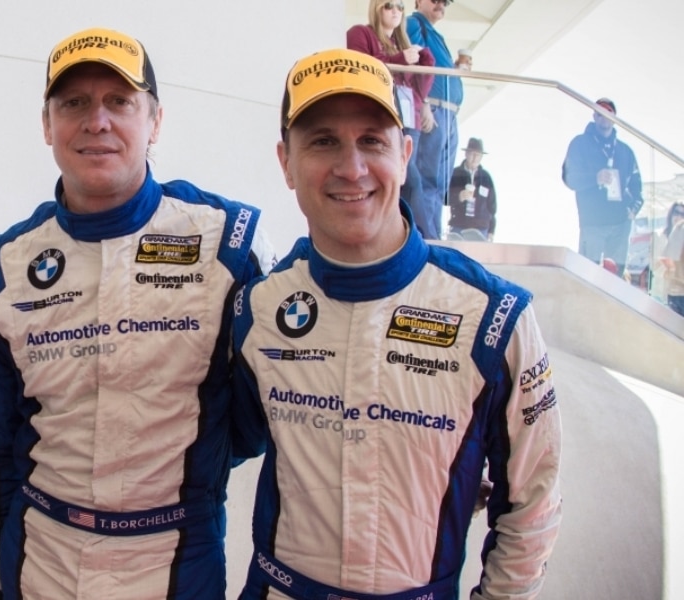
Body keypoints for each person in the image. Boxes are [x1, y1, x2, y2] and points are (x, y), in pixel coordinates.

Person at [232, 48, 562, 599]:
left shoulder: (495, 316)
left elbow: (533, 505)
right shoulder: (260, 308)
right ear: (285, 162)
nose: (351, 168)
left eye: (372, 141)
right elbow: (215, 439)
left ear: (405, 155)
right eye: (323, 141)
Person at [0, 26, 275, 600]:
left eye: (120, 102)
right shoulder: (2, 266)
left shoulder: (226, 242)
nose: (97, 121)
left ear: (155, 121)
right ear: (47, 124)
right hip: (43, 562)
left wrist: (186, 472)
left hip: (177, 560)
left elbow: (255, 418)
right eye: (73, 103)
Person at [347, 0, 433, 235]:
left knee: (409, 179)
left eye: (400, 6)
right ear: (377, 8)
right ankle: (424, 236)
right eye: (389, 5)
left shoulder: (403, 43)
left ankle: (404, 232)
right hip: (382, 116)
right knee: (409, 179)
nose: (396, 11)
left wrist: (426, 60)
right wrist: (400, 59)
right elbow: (361, 69)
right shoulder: (361, 33)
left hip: (409, 118)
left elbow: (419, 90)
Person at [562, 97, 643, 274]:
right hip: (592, 223)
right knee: (586, 275)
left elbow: (637, 185)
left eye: (608, 113)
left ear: (614, 117)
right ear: (594, 116)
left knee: (615, 279)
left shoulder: (625, 151)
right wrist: (595, 178)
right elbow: (569, 178)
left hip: (621, 224)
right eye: (599, 113)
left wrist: (633, 210)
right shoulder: (580, 144)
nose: (604, 117)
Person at [408, 0, 464, 240]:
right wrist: (424, 103)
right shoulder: (414, 24)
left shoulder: (435, 35)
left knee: (440, 183)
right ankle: (425, 237)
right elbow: (414, 66)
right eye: (435, 0)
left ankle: (433, 235)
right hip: (434, 109)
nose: (441, 4)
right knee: (426, 178)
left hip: (448, 114)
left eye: (445, 2)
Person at [447, 137, 497, 241]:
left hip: (481, 229)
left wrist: (491, 231)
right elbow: (443, 198)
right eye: (472, 154)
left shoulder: (486, 177)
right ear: (466, 154)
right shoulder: (455, 174)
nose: (475, 158)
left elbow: (492, 207)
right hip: (458, 226)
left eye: (478, 155)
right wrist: (459, 197)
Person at [661, 202, 684, 316]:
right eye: (676, 213)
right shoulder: (680, 228)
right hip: (678, 293)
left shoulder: (679, 228)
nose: (679, 216)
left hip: (676, 293)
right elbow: (669, 261)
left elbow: (668, 261)